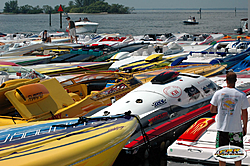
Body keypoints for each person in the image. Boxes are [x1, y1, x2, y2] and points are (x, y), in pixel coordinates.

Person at [210, 71, 249, 166]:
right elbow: (244, 112)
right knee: (238, 155)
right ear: (236, 80)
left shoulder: (218, 93)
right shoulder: (241, 95)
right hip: (236, 129)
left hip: (222, 129)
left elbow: (212, 110)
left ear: (226, 80)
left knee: (221, 155)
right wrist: (245, 127)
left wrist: (222, 110)